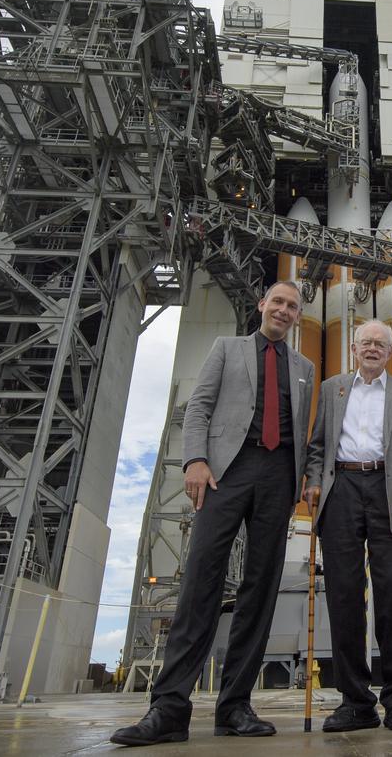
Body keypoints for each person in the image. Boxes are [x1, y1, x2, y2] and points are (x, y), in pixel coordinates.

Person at [111, 281, 316, 747]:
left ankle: (235, 706)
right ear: (262, 305)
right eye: (277, 302)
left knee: (259, 590)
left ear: (298, 316)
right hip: (227, 471)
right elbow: (200, 406)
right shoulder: (227, 348)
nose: (283, 311)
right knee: (201, 580)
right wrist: (195, 461)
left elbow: (304, 433)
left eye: (292, 306)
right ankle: (168, 709)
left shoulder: (303, 367)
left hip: (278, 477)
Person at [302, 319, 392, 733]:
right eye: (366, 343)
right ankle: (355, 702)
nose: (373, 348)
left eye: (381, 344)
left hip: (391, 492)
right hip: (341, 489)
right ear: (354, 349)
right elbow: (318, 444)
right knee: (343, 594)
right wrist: (315, 480)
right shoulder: (332, 388)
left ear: (391, 353)